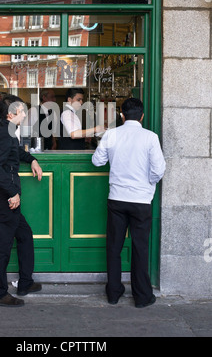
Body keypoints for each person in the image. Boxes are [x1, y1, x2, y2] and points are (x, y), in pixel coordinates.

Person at [92, 98, 166, 308]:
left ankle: (113, 293)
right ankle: (142, 296)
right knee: (140, 247)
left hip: (117, 198)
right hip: (141, 200)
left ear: (122, 115)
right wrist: (147, 184)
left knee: (114, 246)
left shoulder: (112, 134)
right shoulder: (150, 137)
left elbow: (97, 161)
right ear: (141, 116)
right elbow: (159, 169)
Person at [0, 94, 43, 307]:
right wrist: (12, 192)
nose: (25, 115)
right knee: (2, 245)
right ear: (11, 114)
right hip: (6, 199)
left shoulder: (7, 132)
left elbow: (16, 153)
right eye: (22, 111)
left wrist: (33, 159)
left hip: (8, 197)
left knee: (25, 235)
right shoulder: (3, 134)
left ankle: (26, 282)